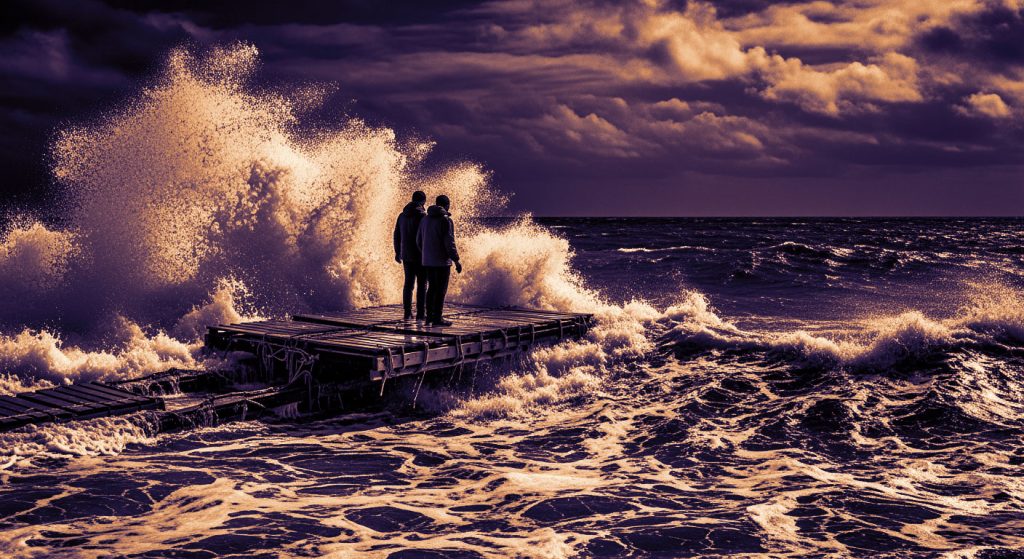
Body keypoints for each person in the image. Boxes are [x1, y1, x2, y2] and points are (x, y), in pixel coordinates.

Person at [416, 194, 462, 327]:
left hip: (427, 261)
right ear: (447, 205)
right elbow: (449, 242)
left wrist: (425, 254)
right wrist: (456, 260)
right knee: (441, 290)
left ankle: (429, 317)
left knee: (431, 289)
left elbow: (418, 240)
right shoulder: (445, 220)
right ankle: (437, 318)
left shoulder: (424, 219)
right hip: (442, 262)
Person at [393, 190, 428, 320]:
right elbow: (425, 237)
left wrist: (397, 252)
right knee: (422, 284)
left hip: (406, 254)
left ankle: (407, 312)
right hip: (420, 255)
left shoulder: (402, 215)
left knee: (408, 284)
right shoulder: (422, 216)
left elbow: (396, 235)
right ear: (423, 201)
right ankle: (420, 313)